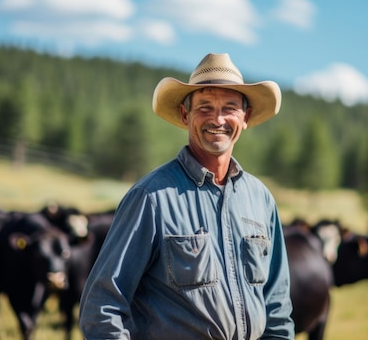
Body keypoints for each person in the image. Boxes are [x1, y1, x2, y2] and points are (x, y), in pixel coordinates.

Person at [79, 53, 295, 340]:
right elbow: (101, 307)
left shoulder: (261, 200)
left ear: (245, 117)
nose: (217, 119)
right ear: (185, 115)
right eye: (205, 107)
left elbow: (277, 309)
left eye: (229, 108)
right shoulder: (151, 198)